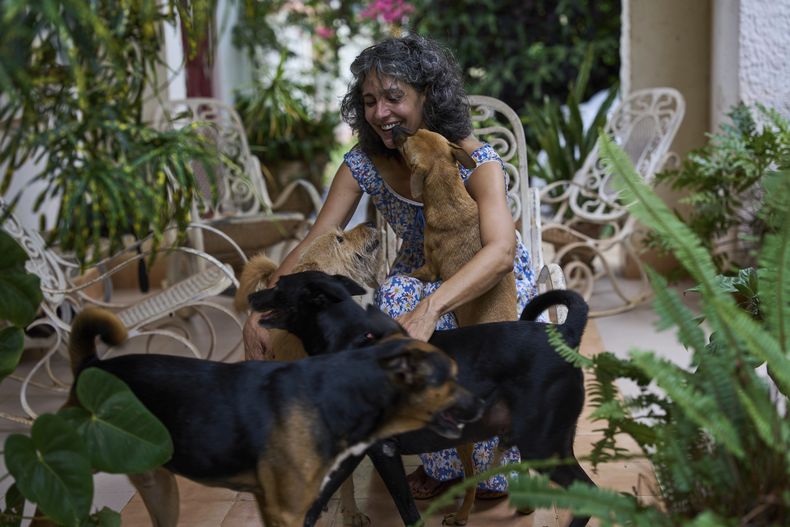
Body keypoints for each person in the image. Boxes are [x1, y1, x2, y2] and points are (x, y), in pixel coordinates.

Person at [266, 33, 537, 500]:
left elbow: (500, 253)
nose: (380, 112)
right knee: (393, 300)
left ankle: (495, 461)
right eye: (370, 101)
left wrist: (433, 308)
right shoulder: (363, 164)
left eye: (395, 96)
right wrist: (265, 306)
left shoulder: (473, 158)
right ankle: (442, 459)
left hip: (487, 275)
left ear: (427, 96)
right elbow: (317, 238)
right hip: (422, 270)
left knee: (448, 321)